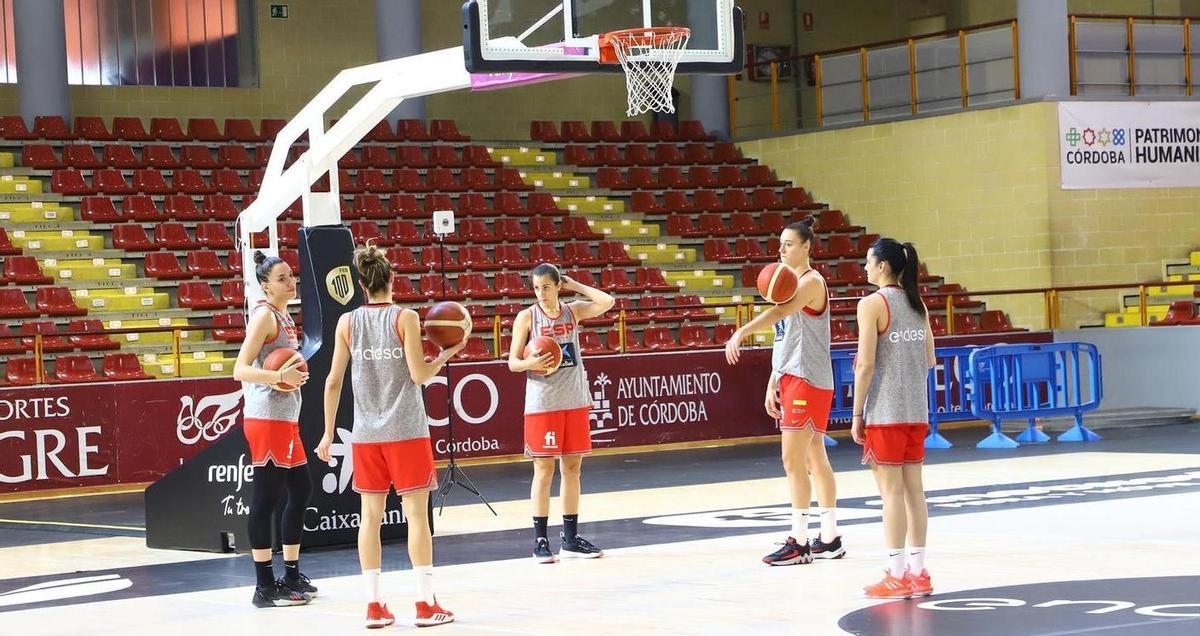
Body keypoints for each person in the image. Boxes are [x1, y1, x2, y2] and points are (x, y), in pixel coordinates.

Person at [318, 245, 464, 628]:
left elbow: (333, 381)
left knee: (370, 518)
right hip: (406, 431)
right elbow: (419, 375)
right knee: (417, 516)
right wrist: (450, 351)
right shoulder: (407, 318)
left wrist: (328, 433)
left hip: (366, 434)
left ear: (361, 285)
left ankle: (374, 605)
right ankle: (424, 602)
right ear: (392, 279)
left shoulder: (346, 323)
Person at [725, 218, 844, 566]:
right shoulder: (790, 285)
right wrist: (773, 379)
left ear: (807, 246)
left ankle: (799, 541)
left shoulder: (811, 282)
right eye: (780, 243)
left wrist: (740, 332)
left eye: (789, 243)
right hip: (794, 375)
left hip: (807, 378)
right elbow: (786, 337)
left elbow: (779, 311)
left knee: (792, 461)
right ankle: (831, 536)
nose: (782, 249)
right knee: (814, 459)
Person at [507, 263, 615, 563]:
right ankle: (540, 540)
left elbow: (608, 302)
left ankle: (569, 539)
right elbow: (512, 362)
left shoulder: (573, 311)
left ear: (558, 286)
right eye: (536, 287)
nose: (541, 292)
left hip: (575, 399)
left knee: (572, 469)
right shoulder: (527, 317)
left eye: (546, 286)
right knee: (543, 471)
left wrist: (576, 285)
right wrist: (530, 364)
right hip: (543, 402)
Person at [850, 238, 936, 599]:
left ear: (883, 265)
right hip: (917, 411)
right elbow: (930, 359)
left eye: (868, 262)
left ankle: (897, 573)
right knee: (914, 491)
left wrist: (857, 412)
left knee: (891, 494)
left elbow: (865, 364)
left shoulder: (871, 304)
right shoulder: (918, 305)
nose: (865, 269)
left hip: (886, 412)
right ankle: (918, 571)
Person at [232, 251, 316, 608]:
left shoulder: (284, 316)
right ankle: (264, 585)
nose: (291, 281)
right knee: (265, 500)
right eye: (282, 278)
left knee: (301, 490)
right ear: (265, 285)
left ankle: (291, 573)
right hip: (266, 417)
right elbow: (239, 369)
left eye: (291, 276)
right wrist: (279, 377)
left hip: (285, 417)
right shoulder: (264, 317)